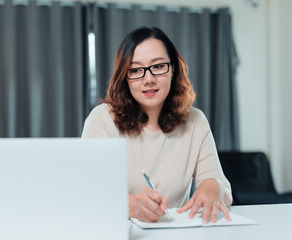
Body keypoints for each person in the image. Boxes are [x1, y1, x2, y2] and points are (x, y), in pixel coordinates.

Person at [81, 26, 232, 223]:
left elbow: (222, 188)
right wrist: (133, 206)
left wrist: (213, 187)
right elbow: (88, 193)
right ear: (124, 78)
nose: (149, 79)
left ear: (173, 70)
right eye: (135, 70)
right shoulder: (102, 120)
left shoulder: (196, 121)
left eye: (158, 66)